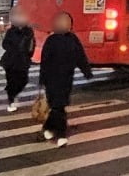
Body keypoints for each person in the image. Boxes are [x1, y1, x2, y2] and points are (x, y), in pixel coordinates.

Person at [38, 12, 93, 147]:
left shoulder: (73, 39)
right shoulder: (51, 40)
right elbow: (44, 61)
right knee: (58, 107)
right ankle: (61, 135)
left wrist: (86, 71)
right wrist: (42, 80)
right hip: (52, 79)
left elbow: (80, 56)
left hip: (66, 78)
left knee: (58, 107)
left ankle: (48, 127)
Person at [0, 6, 35, 112]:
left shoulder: (29, 31)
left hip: (23, 60)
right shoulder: (11, 31)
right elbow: (5, 44)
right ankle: (11, 99)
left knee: (24, 80)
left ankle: (12, 92)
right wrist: (14, 49)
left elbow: (31, 45)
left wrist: (28, 56)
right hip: (10, 60)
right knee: (11, 80)